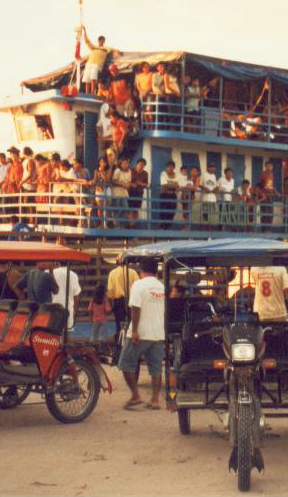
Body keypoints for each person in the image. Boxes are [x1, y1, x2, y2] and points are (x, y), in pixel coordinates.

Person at [118, 258, 165, 410]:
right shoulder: (161, 286)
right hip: (158, 333)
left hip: (141, 332)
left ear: (140, 270)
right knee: (156, 368)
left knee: (126, 364)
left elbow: (135, 308)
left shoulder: (138, 285)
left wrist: (135, 330)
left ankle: (136, 395)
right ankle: (155, 399)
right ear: (156, 271)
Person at [107, 263, 139, 341]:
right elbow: (138, 286)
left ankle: (119, 342)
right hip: (132, 300)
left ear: (116, 262)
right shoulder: (133, 272)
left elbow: (110, 290)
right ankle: (132, 341)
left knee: (119, 324)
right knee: (132, 322)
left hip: (119, 301)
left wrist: (111, 305)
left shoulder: (112, 273)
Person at [81, 28, 119, 95]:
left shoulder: (106, 48)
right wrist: (84, 31)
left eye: (102, 40)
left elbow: (113, 49)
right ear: (98, 41)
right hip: (89, 63)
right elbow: (87, 41)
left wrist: (118, 52)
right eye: (100, 40)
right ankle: (87, 94)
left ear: (104, 41)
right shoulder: (93, 47)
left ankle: (92, 93)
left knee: (93, 78)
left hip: (97, 65)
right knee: (87, 80)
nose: (101, 41)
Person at [51, 263, 81, 329]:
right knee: (67, 333)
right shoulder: (73, 275)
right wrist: (75, 310)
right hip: (68, 308)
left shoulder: (50, 272)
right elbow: (76, 295)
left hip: (52, 308)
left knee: (52, 333)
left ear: (57, 263)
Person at [112, 157, 132, 228]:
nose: (125, 165)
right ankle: (116, 225)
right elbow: (114, 181)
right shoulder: (117, 171)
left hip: (124, 193)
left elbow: (129, 181)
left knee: (125, 208)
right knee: (117, 209)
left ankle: (121, 224)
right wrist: (122, 184)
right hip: (116, 193)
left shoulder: (129, 171)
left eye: (126, 163)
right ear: (120, 164)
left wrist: (128, 185)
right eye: (123, 163)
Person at [159, 160, 180, 228]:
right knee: (164, 212)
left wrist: (170, 185)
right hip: (164, 195)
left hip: (173, 196)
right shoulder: (163, 173)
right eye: (168, 167)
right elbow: (164, 185)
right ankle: (162, 228)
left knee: (172, 212)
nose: (170, 169)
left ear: (173, 168)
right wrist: (173, 185)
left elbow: (178, 186)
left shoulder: (176, 175)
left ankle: (168, 228)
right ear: (166, 168)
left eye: (171, 167)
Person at [129, 158, 149, 226]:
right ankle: (130, 225)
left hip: (139, 192)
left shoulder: (145, 173)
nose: (141, 166)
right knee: (130, 209)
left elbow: (146, 184)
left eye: (143, 165)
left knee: (136, 209)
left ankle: (134, 225)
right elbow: (127, 181)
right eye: (140, 164)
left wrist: (139, 183)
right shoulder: (130, 171)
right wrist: (132, 184)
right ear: (136, 164)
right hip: (130, 192)